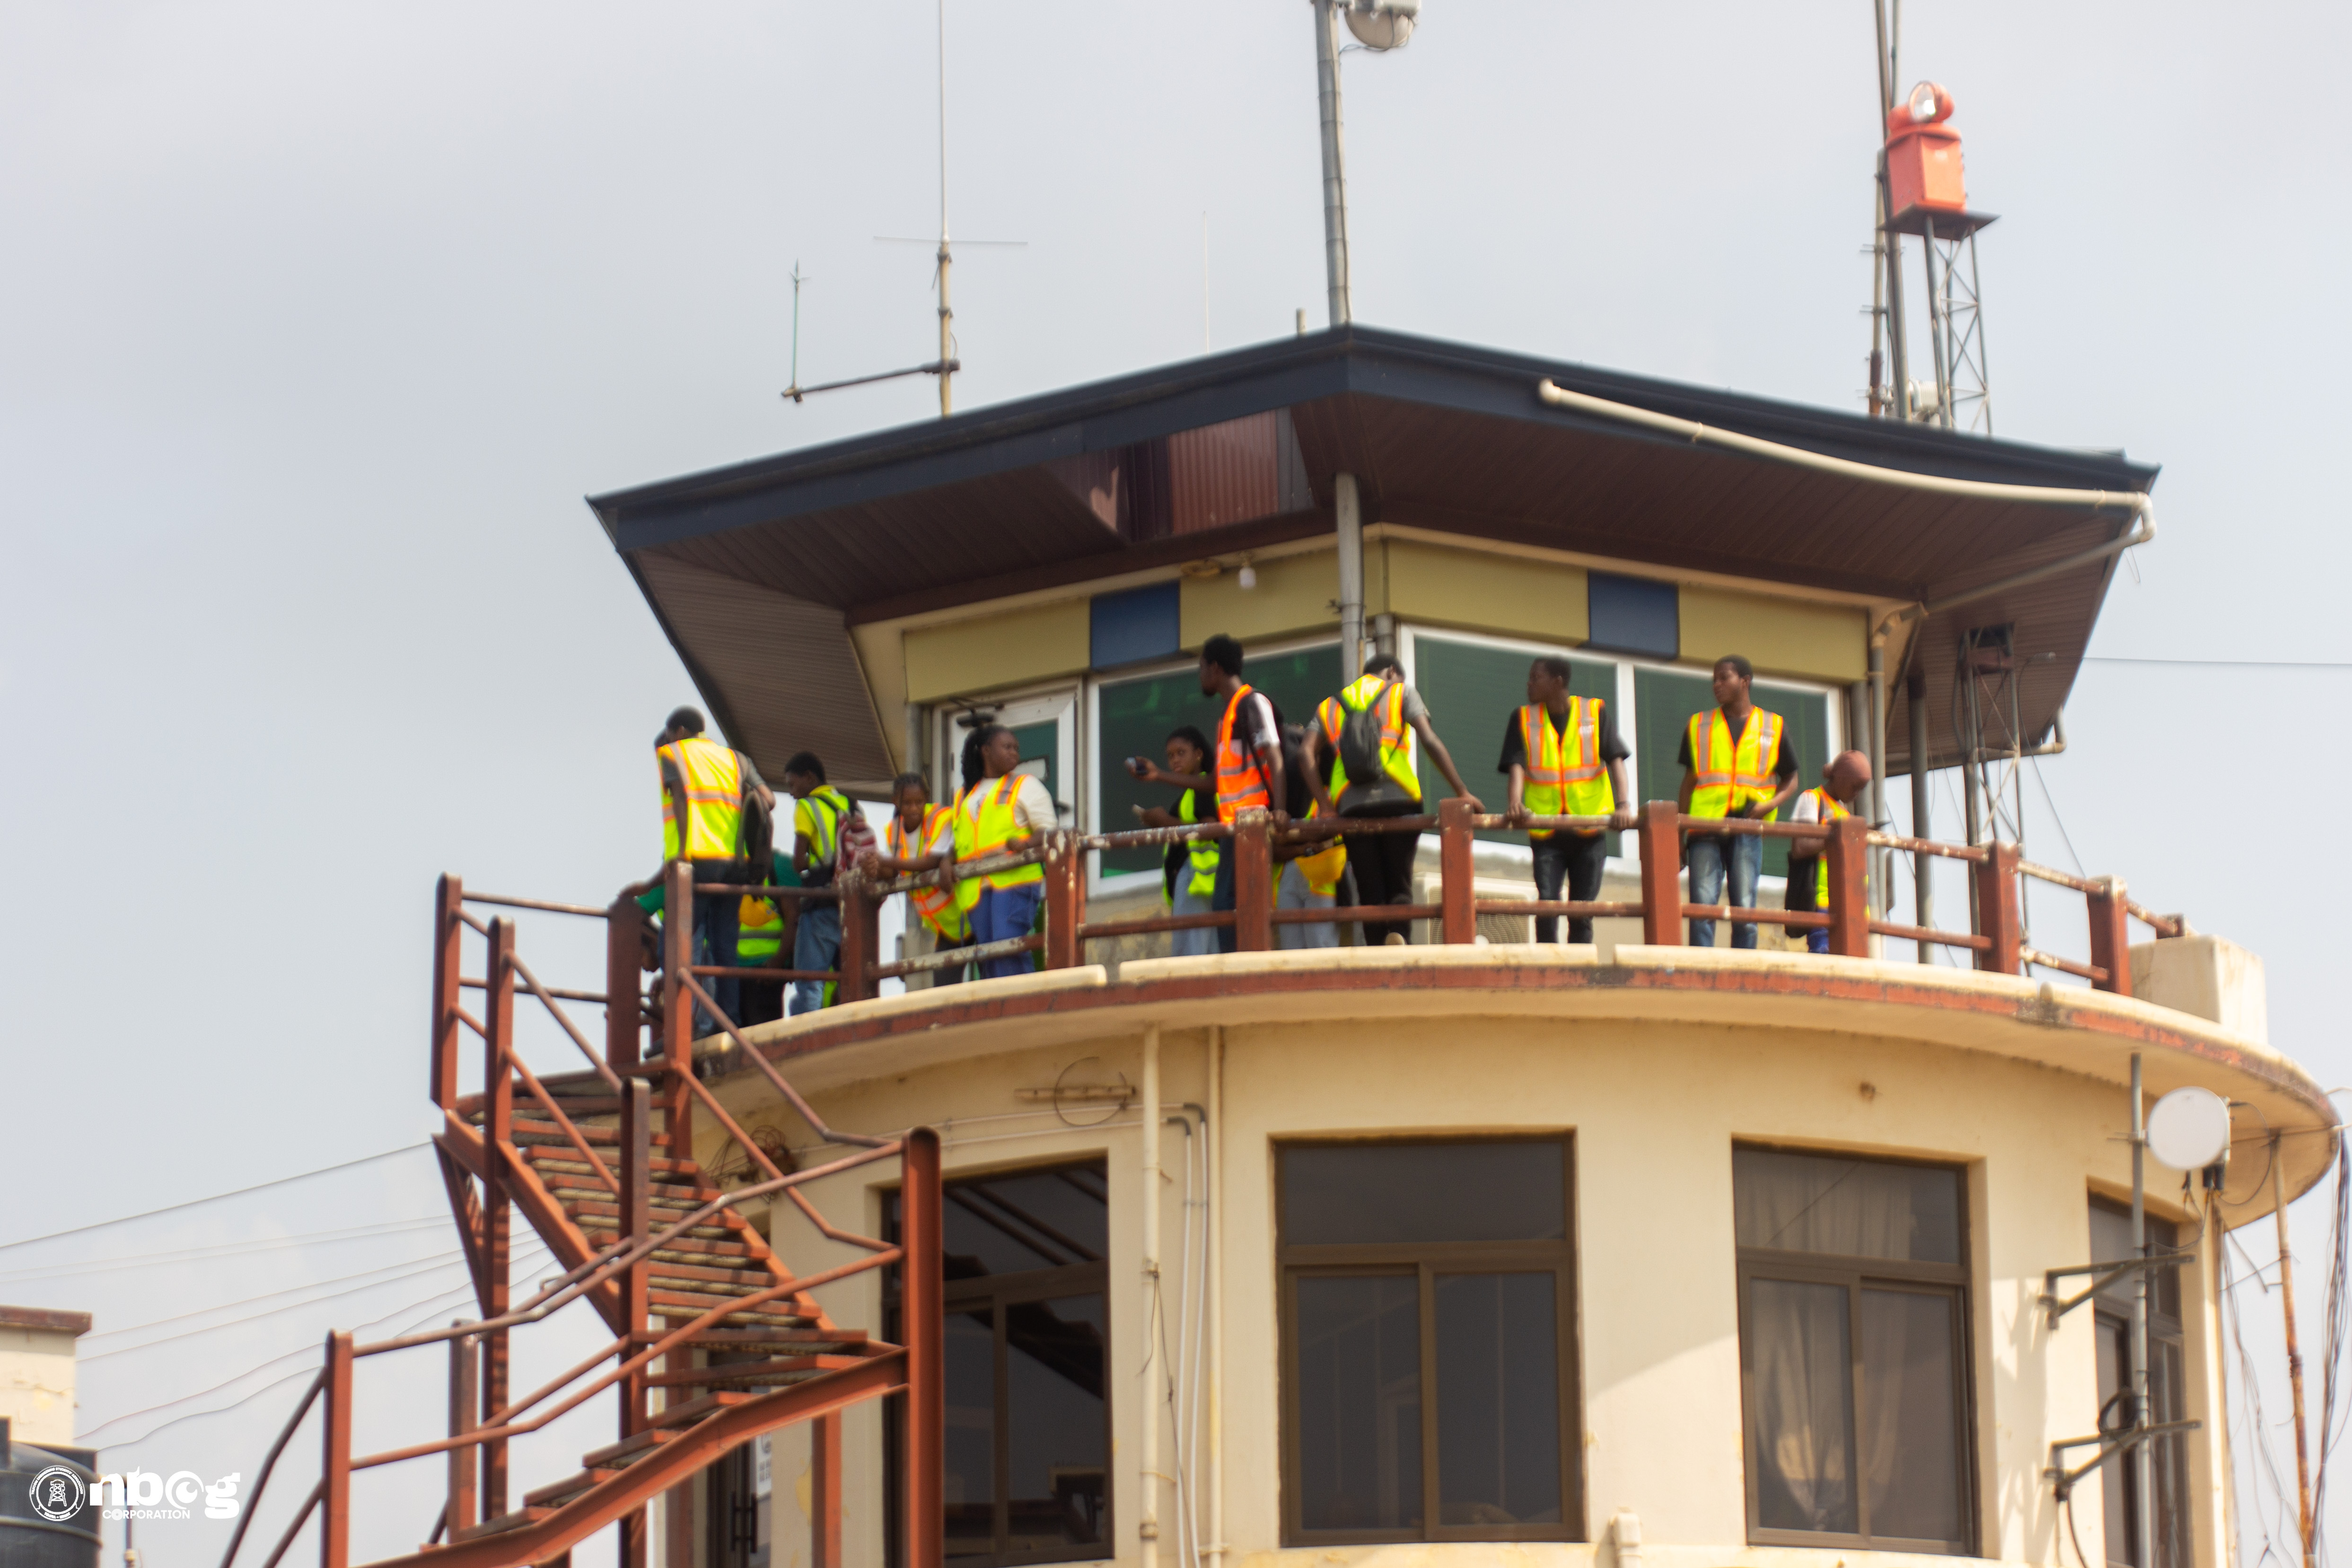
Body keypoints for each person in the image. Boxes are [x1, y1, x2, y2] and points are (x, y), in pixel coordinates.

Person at [1304, 652, 1482, 946]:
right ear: (1392, 672)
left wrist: (1324, 808)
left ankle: (1376, 950)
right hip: (1400, 799)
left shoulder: (1330, 706)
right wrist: (1461, 790)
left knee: (1369, 886)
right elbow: (1429, 739)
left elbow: (1305, 753)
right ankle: (1400, 942)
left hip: (1351, 806)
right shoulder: (1402, 692)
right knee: (1400, 881)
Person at [1501, 656, 1637, 945]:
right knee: (1548, 906)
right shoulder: (1523, 719)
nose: (1529, 684)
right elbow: (1516, 767)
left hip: (1589, 831)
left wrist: (1624, 805)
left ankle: (1578, 974)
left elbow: (1616, 761)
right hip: (1546, 831)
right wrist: (1515, 803)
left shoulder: (1594, 712)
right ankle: (1547, 972)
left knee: (1581, 913)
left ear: (1557, 682)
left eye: (1535, 678)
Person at [654, 706, 773, 1034]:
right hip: (734, 865)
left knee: (678, 946)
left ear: (678, 731)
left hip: (695, 862)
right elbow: (769, 799)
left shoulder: (671, 753)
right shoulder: (737, 759)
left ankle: (683, 1030)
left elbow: (679, 796)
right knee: (724, 950)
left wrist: (681, 852)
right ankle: (729, 1022)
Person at [1677, 656, 1801, 949]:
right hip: (1704, 826)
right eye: (1715, 679)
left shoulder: (1773, 726)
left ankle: (1744, 966)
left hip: (1747, 825)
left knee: (1745, 906)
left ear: (1744, 682)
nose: (1716, 685)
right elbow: (1689, 782)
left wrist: (1767, 806)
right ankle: (1701, 968)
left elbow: (1791, 779)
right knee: (1702, 906)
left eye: (1724, 678)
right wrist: (1678, 833)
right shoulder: (1699, 725)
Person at [954, 725, 1058, 978]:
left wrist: (1026, 844)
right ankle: (999, 1010)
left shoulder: (1025, 785)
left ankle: (1023, 1007)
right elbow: (957, 842)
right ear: (986, 751)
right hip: (976, 889)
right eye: (1007, 747)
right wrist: (947, 862)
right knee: (988, 954)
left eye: (1016, 749)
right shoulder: (963, 796)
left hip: (1015, 880)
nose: (1014, 753)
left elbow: (1051, 831)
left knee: (1007, 946)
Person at [862, 771, 971, 986]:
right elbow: (891, 874)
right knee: (943, 990)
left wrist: (886, 861)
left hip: (969, 914)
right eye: (908, 803)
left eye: (919, 802)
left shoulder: (941, 818)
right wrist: (874, 867)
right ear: (896, 802)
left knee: (990, 979)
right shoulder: (892, 831)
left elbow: (931, 861)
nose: (914, 808)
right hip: (945, 929)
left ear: (927, 798)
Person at [1126, 726, 1220, 959]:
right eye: (1170, 755)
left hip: (1198, 880)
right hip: (1196, 881)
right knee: (1208, 953)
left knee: (1190, 954)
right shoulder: (1190, 791)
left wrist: (1164, 821)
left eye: (1181, 753)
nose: (1175, 759)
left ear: (1198, 754)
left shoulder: (1203, 788)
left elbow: (1209, 829)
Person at [784, 752, 866, 1015]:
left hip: (821, 899)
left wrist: (816, 862)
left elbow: (799, 861)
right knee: (852, 976)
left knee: (811, 979)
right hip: (854, 902)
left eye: (792, 785)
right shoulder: (852, 804)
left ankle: (804, 1037)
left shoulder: (807, 807)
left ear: (809, 778)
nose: (792, 794)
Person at [1785, 750, 1873, 955]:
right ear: (1840, 779)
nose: (1856, 794)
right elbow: (1800, 847)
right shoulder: (1812, 800)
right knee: (1823, 956)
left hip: (1847, 906)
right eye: (1854, 787)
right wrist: (1837, 840)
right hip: (1821, 901)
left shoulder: (1844, 814)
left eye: (1861, 789)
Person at [1274, 724, 1346, 949]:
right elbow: (1276, 843)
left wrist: (1294, 836)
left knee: (1322, 950)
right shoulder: (1290, 795)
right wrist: (1304, 846)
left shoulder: (1336, 793)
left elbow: (1329, 833)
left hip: (1323, 881)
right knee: (1290, 955)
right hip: (1289, 877)